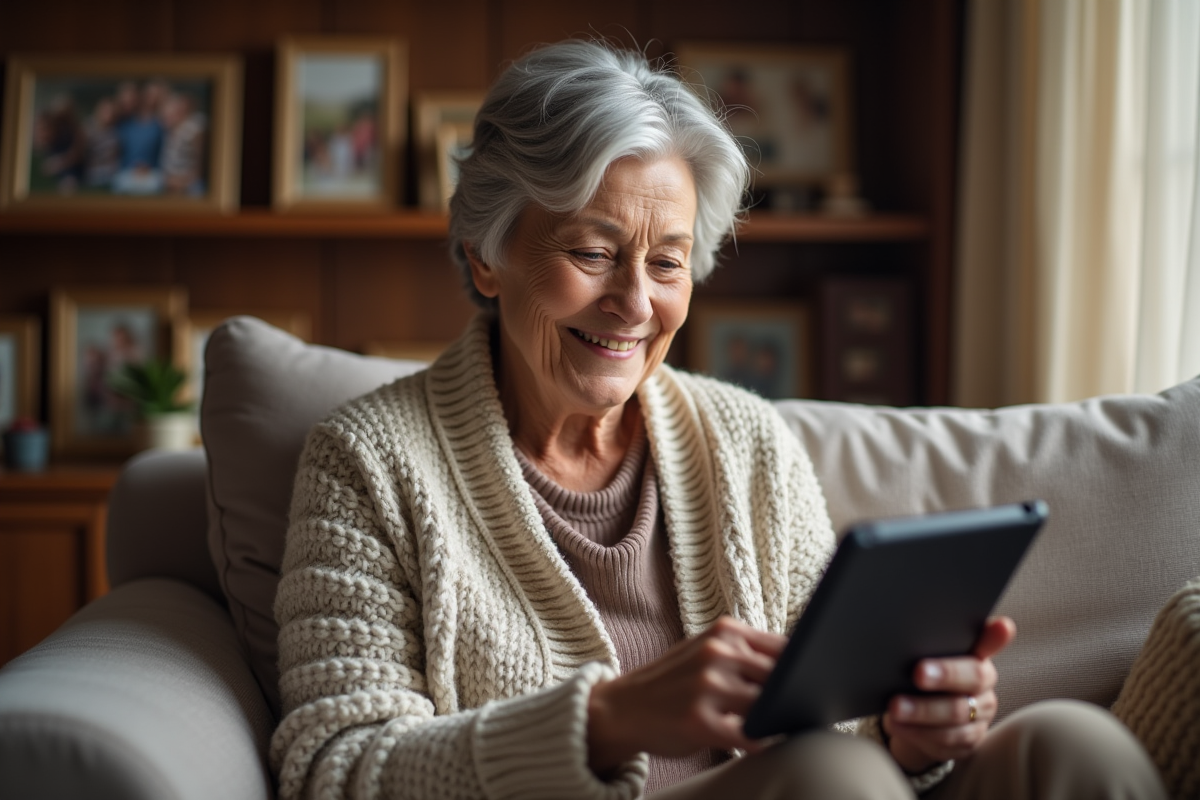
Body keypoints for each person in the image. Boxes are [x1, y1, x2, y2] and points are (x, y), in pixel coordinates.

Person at [271, 39, 1166, 799]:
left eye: (667, 263)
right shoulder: (368, 462)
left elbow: (843, 730)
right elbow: (334, 768)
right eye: (593, 251)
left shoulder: (747, 442)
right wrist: (606, 721)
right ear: (486, 256)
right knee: (830, 779)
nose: (634, 303)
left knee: (1070, 745)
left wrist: (910, 735)